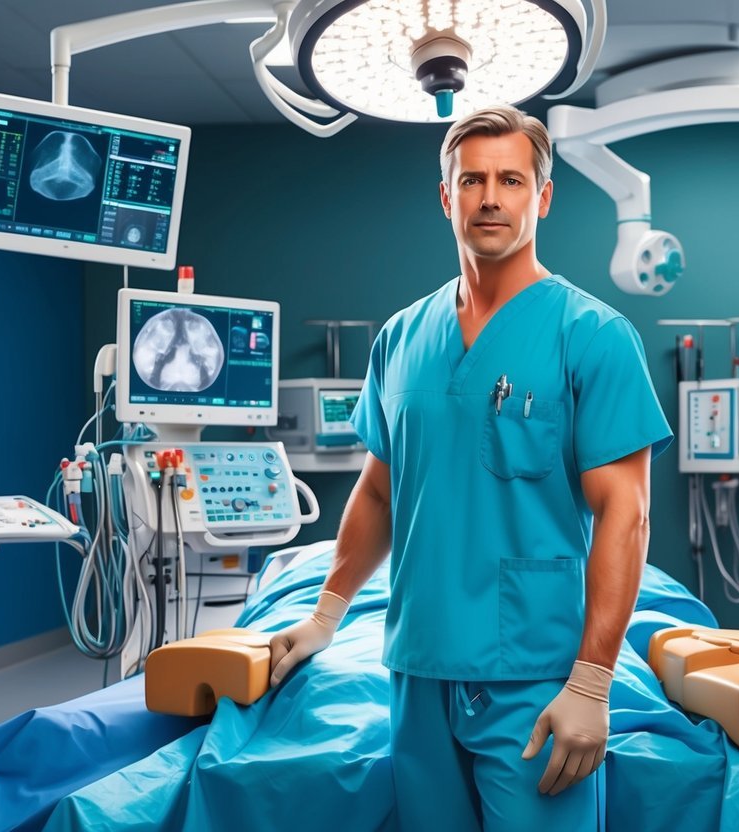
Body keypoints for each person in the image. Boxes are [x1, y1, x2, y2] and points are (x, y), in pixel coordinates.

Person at [268, 105, 672, 830]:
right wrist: (324, 614)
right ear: (445, 195)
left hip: (533, 674)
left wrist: (592, 680)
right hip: (416, 668)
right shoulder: (400, 337)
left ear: (541, 198)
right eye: (472, 179)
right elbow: (378, 491)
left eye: (511, 179)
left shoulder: (592, 336)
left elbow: (627, 512)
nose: (490, 197)